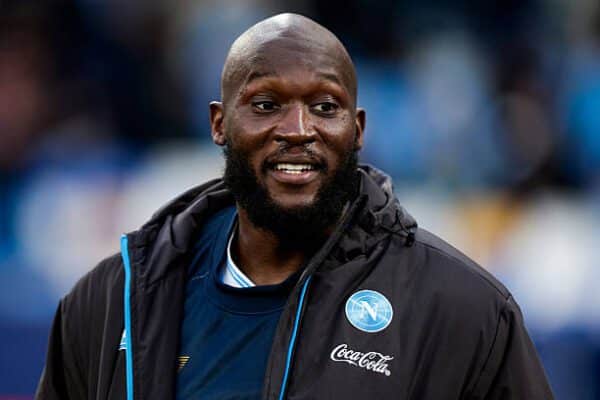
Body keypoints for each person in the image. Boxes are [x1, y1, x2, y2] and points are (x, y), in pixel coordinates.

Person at [36, 13, 554, 400]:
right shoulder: (111, 301)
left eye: (324, 107)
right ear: (219, 123)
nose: (298, 130)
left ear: (357, 130)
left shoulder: (464, 310)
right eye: (266, 104)